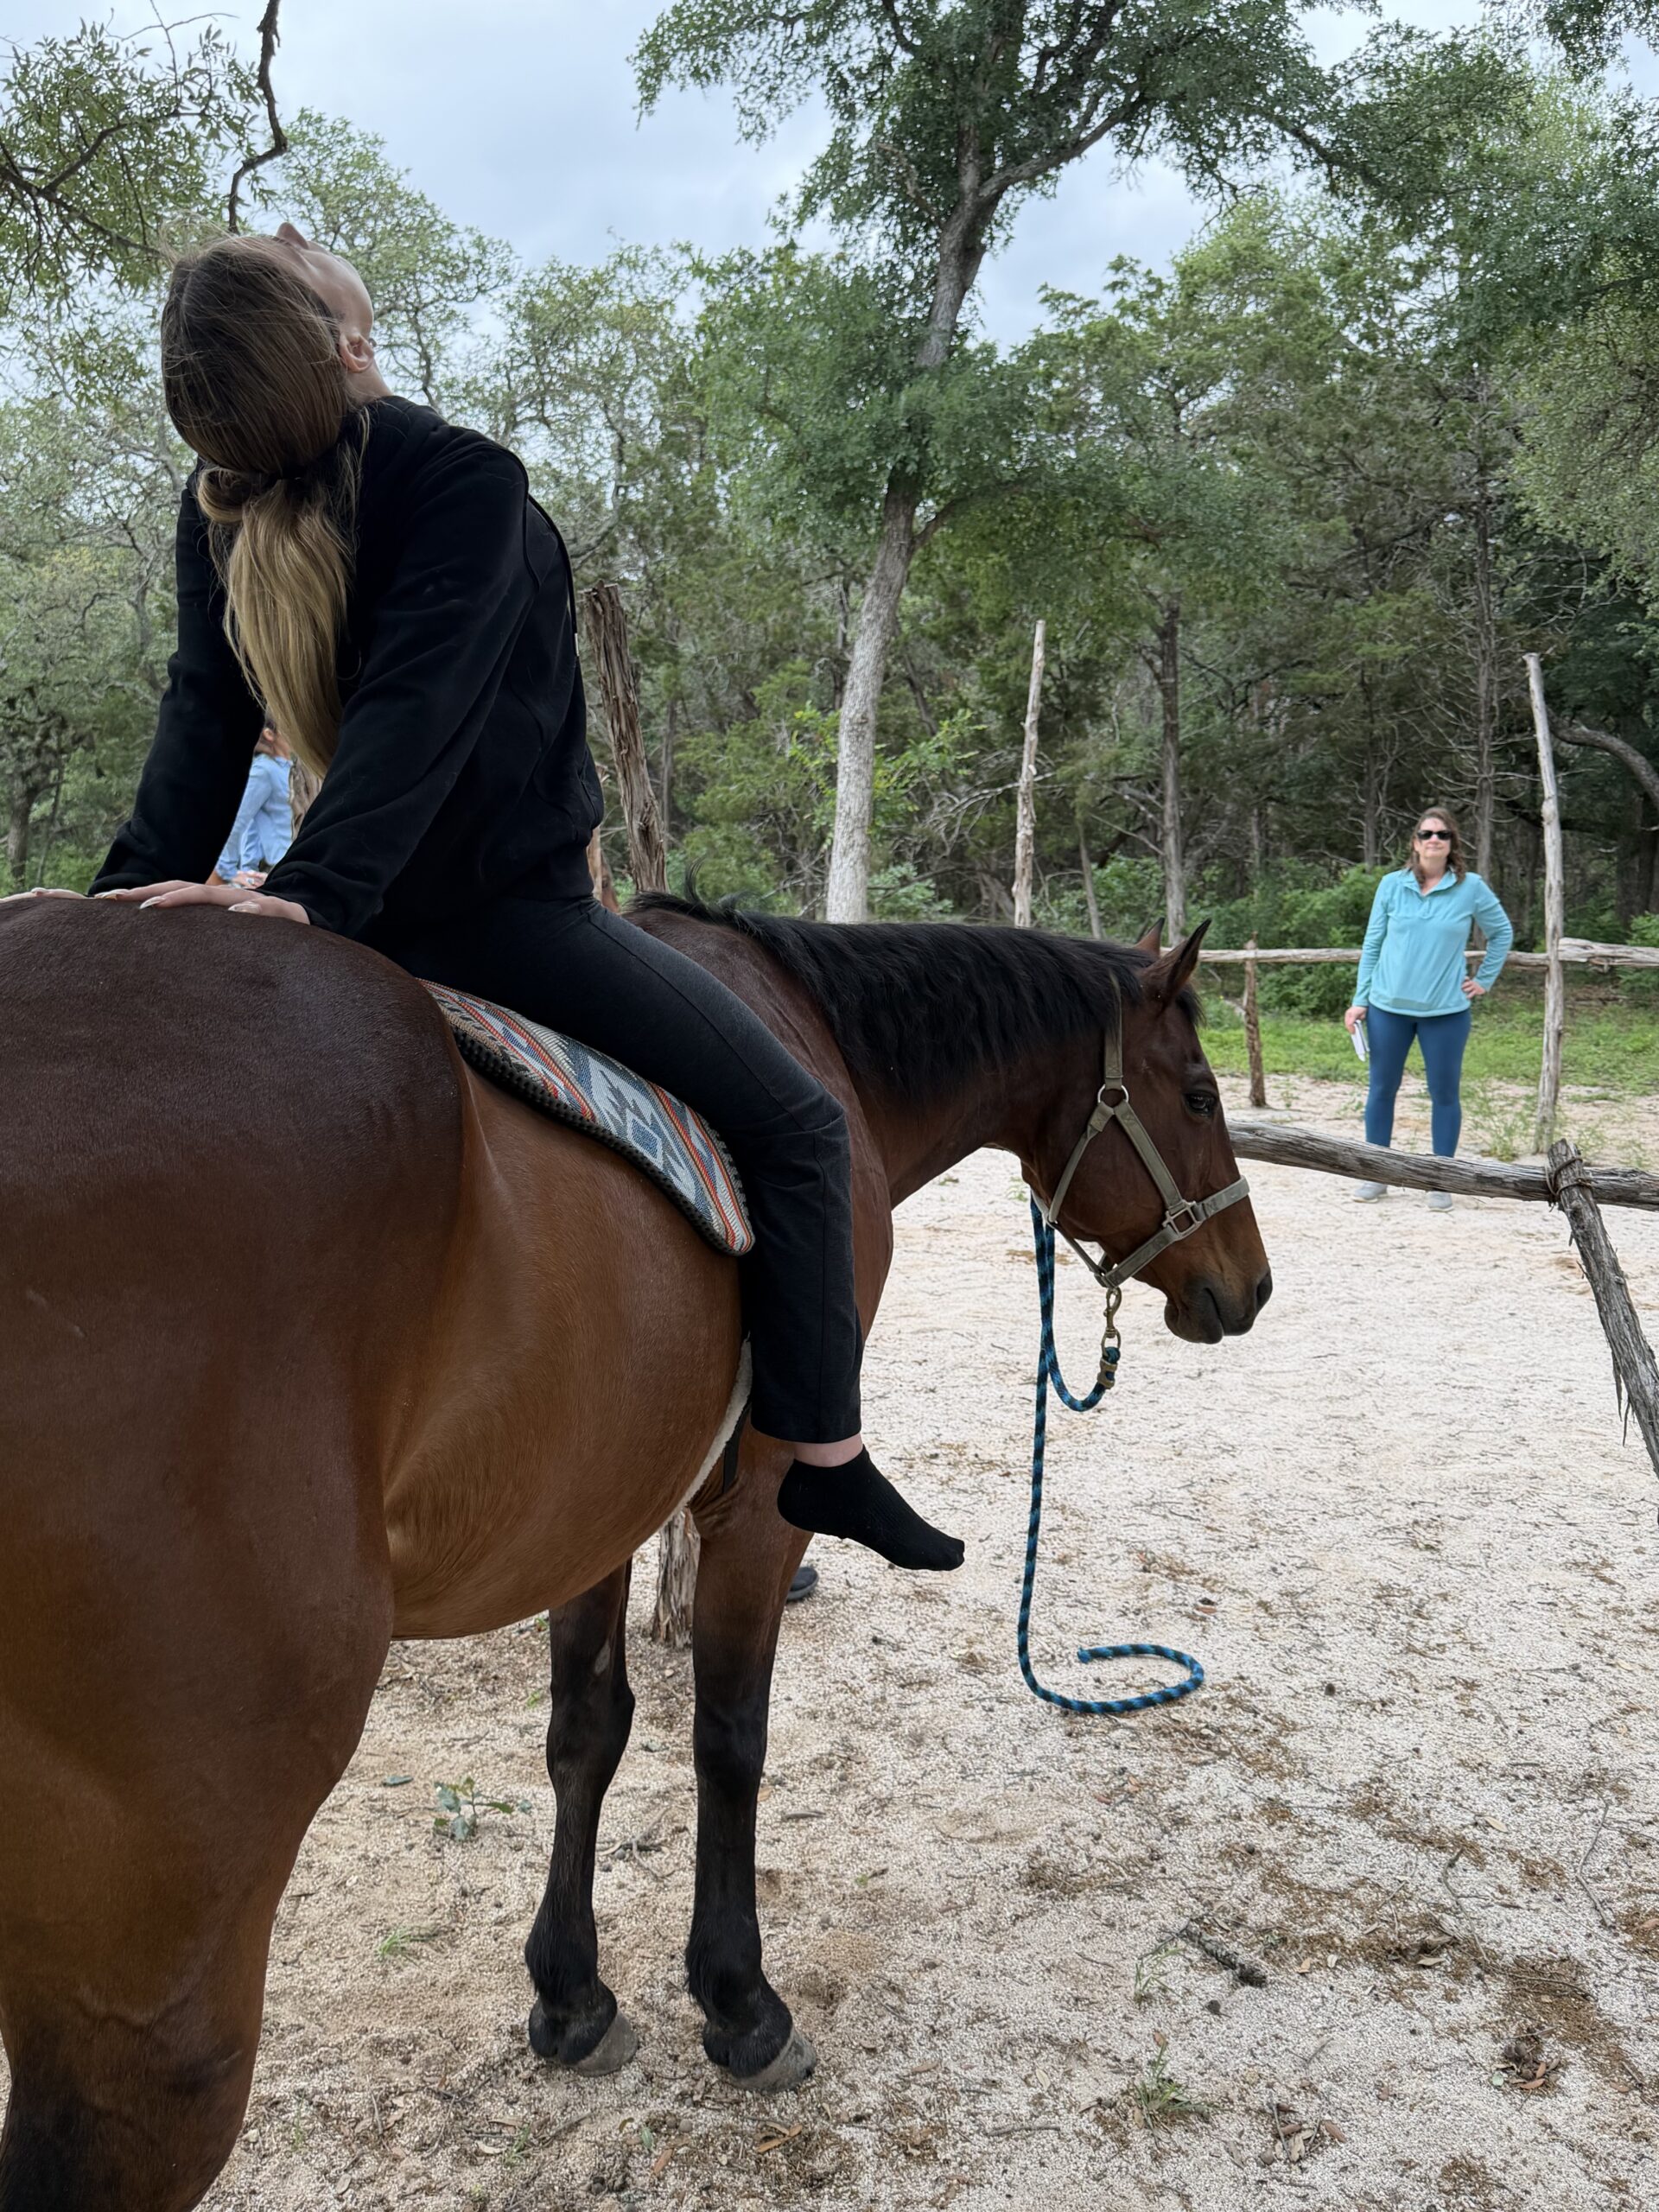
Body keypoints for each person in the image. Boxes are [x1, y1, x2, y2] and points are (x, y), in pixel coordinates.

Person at [59, 226, 962, 1575]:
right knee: (803, 1127)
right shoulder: (461, 481)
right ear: (347, 344)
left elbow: (202, 724)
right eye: (294, 257)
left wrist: (121, 897)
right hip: (510, 923)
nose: (304, 233)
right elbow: (423, 702)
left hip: (349, 895)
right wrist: (313, 897)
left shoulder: (226, 505)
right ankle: (822, 1454)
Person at [1344, 807, 1514, 1211]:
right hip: (1388, 1008)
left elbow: (1502, 932)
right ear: (1415, 842)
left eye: (1442, 835)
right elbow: (1373, 944)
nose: (1434, 840)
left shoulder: (1470, 887)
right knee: (1382, 1090)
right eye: (1426, 834)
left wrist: (1484, 979)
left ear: (1453, 844)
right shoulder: (1391, 885)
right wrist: (1359, 999)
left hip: (1447, 1013)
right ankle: (1377, 1174)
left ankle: (1440, 1180)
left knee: (1444, 1094)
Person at [210, 728, 293, 886]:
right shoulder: (263, 770)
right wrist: (228, 871)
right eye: (286, 726)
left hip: (295, 863)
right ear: (269, 734)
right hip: (279, 867)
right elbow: (239, 820)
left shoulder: (288, 769)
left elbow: (256, 822)